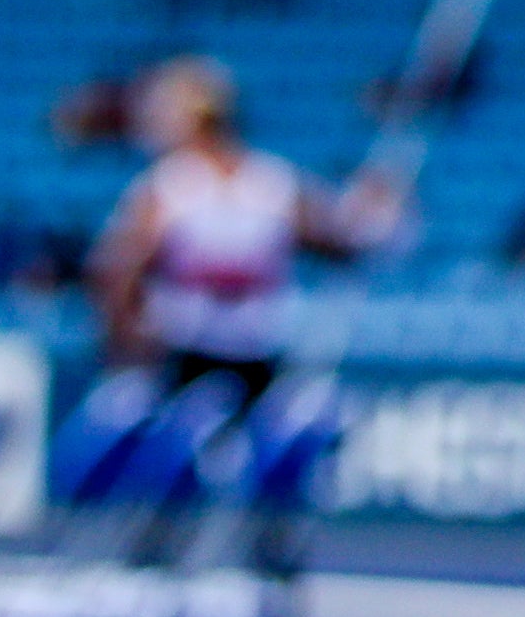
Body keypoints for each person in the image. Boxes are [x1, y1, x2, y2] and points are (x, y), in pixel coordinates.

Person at [88, 58, 401, 421]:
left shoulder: (257, 182)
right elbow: (117, 273)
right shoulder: (177, 184)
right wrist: (132, 342)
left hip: (254, 353)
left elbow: (341, 241)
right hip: (183, 351)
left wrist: (377, 205)